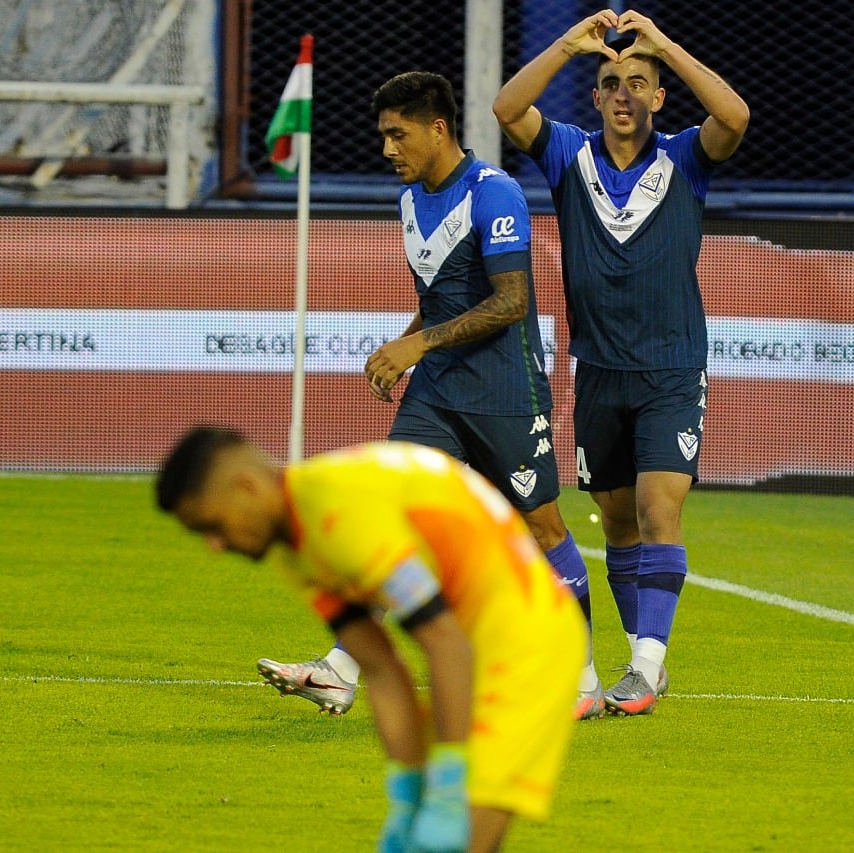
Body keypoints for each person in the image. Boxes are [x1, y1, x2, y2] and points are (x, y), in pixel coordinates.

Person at [258, 70, 605, 720]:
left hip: (506, 388)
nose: (388, 148)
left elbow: (511, 301)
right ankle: (340, 668)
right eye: (384, 135)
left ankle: (582, 680)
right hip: (439, 391)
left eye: (398, 134)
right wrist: (405, 342)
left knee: (541, 525)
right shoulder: (411, 199)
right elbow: (439, 297)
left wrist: (416, 346)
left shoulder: (494, 193)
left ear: (438, 128)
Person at [157, 428, 586, 853]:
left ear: (246, 487)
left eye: (211, 526)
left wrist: (447, 787)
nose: (214, 546)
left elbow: (444, 643)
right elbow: (380, 669)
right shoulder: (294, 545)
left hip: (528, 637)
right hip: (474, 639)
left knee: (463, 841)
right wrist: (408, 792)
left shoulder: (336, 511)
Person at [493, 10, 749, 716]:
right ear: (598, 97)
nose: (625, 93)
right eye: (611, 83)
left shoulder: (686, 158)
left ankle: (643, 665)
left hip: (672, 367)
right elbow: (508, 108)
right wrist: (567, 47)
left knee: (657, 506)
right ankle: (645, 657)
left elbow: (735, 114)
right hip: (597, 370)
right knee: (615, 521)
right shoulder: (568, 155)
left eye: (639, 82)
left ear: (659, 97)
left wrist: (665, 44)